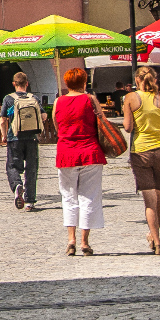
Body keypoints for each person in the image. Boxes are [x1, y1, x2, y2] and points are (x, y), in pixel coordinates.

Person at [55, 66, 106, 256]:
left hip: (66, 153)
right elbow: (102, 122)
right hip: (90, 152)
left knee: (68, 197)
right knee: (89, 196)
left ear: (67, 83)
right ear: (84, 82)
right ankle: (85, 241)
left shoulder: (59, 101)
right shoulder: (90, 99)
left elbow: (57, 125)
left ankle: (71, 240)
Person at [123, 66, 160, 254]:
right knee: (158, 198)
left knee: (149, 201)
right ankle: (154, 236)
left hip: (141, 151)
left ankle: (158, 242)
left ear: (137, 80)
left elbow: (128, 127)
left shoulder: (130, 98)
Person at [0, 71, 46, 211]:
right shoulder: (34, 97)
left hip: (15, 137)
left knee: (12, 166)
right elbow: (43, 116)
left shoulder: (9, 99)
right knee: (31, 169)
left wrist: (4, 135)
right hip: (32, 138)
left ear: (14, 84)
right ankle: (30, 202)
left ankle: (17, 185)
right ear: (27, 83)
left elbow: (2, 120)